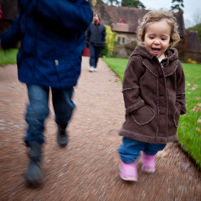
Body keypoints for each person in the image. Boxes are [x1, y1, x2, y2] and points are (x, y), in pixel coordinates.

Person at [0, 0, 93, 186]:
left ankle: (63, 124)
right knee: (36, 111)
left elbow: (82, 18)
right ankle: (35, 157)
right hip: (33, 61)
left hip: (64, 63)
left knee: (64, 107)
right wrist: (5, 40)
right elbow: (22, 21)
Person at [118, 9, 186, 182]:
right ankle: (127, 162)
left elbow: (180, 88)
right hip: (141, 110)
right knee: (133, 139)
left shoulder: (175, 65)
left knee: (158, 141)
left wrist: (178, 107)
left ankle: (149, 156)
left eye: (163, 38)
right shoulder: (138, 59)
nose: (157, 42)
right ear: (143, 37)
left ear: (170, 40)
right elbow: (129, 85)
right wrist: (136, 107)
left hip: (166, 112)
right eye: (152, 37)